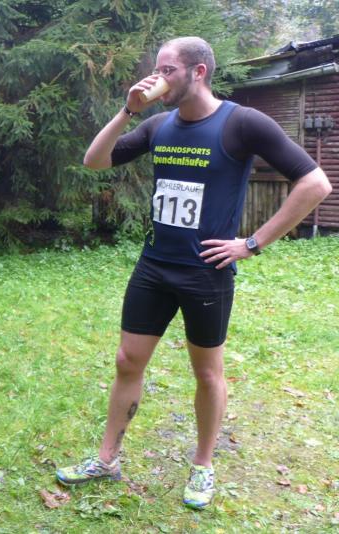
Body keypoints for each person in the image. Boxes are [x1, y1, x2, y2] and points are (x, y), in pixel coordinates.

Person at [55, 37, 331, 509]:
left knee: (206, 373)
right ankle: (107, 459)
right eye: (156, 68)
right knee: (127, 361)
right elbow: (94, 160)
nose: (157, 77)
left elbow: (315, 183)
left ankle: (203, 465)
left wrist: (252, 243)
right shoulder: (158, 125)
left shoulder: (242, 123)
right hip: (154, 266)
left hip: (206, 272)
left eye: (167, 69)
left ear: (197, 72)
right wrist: (128, 111)